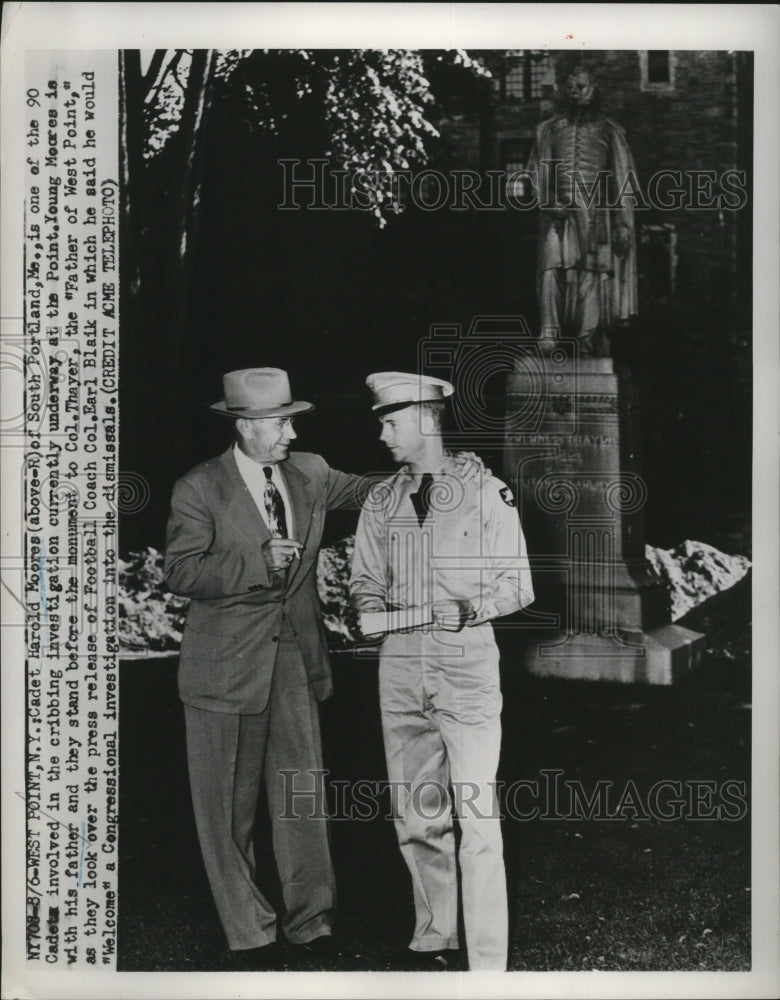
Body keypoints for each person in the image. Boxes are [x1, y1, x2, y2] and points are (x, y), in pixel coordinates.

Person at [164, 366, 486, 970]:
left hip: (293, 665)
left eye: (291, 420)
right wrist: (254, 560)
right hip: (222, 671)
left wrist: (441, 467)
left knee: (301, 801)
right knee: (226, 815)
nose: (291, 432)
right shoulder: (199, 487)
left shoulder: (309, 472)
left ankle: (312, 925)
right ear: (246, 425)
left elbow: (376, 491)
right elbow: (180, 573)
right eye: (281, 422)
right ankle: (251, 933)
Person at [349, 372, 535, 971]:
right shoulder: (381, 500)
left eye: (390, 421)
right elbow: (364, 579)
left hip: (466, 664)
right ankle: (434, 938)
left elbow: (518, 585)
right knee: (416, 812)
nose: (382, 434)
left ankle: (487, 964)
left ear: (425, 419)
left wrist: (471, 607)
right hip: (400, 666)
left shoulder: (487, 492)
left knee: (477, 816)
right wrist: (369, 607)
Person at [526, 65, 639, 357]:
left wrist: (622, 223)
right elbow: (538, 172)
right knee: (550, 269)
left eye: (581, 87)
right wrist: (548, 201)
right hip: (558, 214)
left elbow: (621, 177)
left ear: (593, 90)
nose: (575, 93)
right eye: (570, 87)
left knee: (591, 273)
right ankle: (549, 333)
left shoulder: (609, 130)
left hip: (596, 212)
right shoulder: (548, 129)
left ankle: (585, 340)